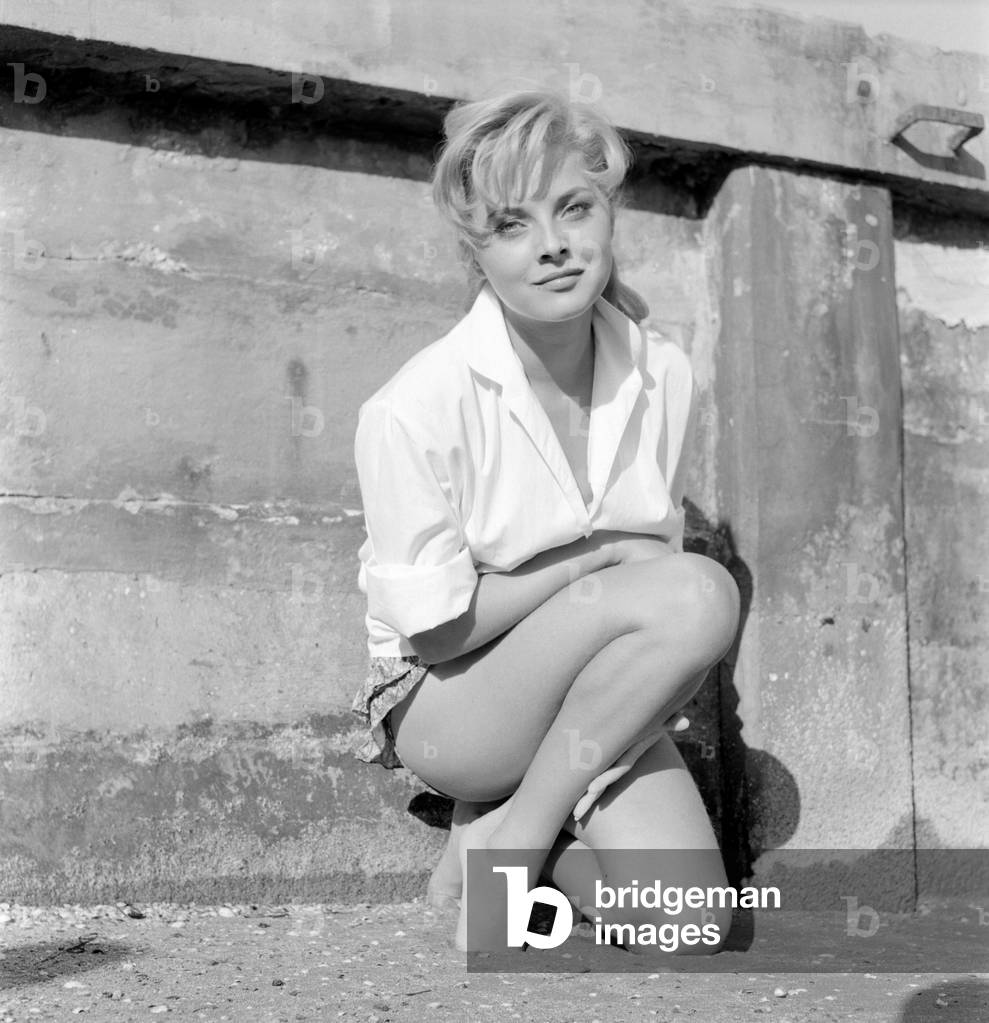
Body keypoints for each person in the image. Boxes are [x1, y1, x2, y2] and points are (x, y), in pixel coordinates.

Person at [351, 88, 741, 953]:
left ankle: (505, 834)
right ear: (475, 252)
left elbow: (639, 615)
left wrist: (621, 574)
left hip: (587, 702)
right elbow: (440, 633)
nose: (554, 244)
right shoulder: (416, 406)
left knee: (686, 926)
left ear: (609, 215)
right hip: (452, 705)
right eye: (512, 225)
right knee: (700, 592)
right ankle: (514, 828)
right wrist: (588, 557)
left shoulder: (661, 373)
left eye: (573, 208)